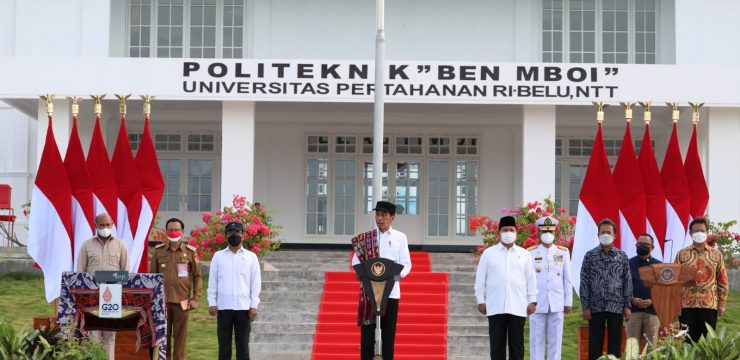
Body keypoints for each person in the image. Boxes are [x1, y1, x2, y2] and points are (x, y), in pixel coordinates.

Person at [351, 201, 412, 360]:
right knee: (367, 335)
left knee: (388, 335)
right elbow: (355, 263)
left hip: (391, 293)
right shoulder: (366, 238)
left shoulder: (400, 237)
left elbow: (406, 264)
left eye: (384, 215)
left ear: (392, 218)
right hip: (370, 293)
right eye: (377, 214)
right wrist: (365, 277)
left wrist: (395, 277)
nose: (379, 218)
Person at [475, 215, 537, 360]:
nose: (508, 233)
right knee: (497, 347)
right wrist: (480, 300)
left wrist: (532, 301)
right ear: (499, 233)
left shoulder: (524, 254)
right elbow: (480, 279)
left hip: (518, 306)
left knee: (517, 347)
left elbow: (531, 279)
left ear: (516, 232)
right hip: (495, 306)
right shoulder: (488, 254)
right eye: (505, 230)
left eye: (511, 230)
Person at [77, 213, 129, 360]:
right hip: (91, 297)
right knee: (92, 335)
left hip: (112, 298)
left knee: (109, 336)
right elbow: (80, 273)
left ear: (112, 225)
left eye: (108, 225)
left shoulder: (120, 245)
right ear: (96, 226)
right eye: (102, 225)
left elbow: (126, 273)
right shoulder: (86, 245)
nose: (105, 228)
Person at [580, 218, 633, 360]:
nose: (605, 234)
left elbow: (627, 282)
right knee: (594, 344)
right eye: (602, 232)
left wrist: (627, 306)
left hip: (616, 307)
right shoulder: (590, 256)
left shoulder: (622, 256)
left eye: (608, 232)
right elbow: (584, 282)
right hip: (595, 307)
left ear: (615, 235)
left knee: (615, 345)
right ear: (598, 234)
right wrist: (585, 306)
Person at [150, 218, 202, 360]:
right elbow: (151, 278)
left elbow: (197, 276)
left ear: (182, 231)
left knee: (180, 339)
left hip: (182, 302)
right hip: (162, 303)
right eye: (170, 230)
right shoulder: (159, 251)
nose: (173, 232)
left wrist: (195, 298)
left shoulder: (190, 252)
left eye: (176, 229)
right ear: (166, 232)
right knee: (163, 339)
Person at [208, 221, 262, 360]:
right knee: (224, 347)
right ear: (226, 236)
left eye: (237, 232)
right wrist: (212, 302)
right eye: (230, 232)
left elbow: (255, 283)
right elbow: (212, 281)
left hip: (244, 307)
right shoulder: (218, 256)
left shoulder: (251, 257)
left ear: (242, 235)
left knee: (243, 347)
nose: (234, 234)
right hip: (223, 307)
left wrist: (254, 305)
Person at [675, 217, 729, 342]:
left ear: (706, 232)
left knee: (708, 342)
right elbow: (675, 281)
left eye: (702, 230)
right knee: (688, 342)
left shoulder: (716, 255)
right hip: (686, 307)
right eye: (696, 231)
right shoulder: (681, 254)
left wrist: (722, 303)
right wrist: (676, 305)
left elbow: (723, 280)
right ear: (690, 233)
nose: (699, 233)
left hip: (709, 306)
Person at [528, 216, 572, 360]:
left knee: (556, 342)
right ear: (539, 233)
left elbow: (567, 279)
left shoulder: (563, 252)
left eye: (550, 231)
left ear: (555, 233)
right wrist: (528, 301)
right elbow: (528, 280)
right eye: (544, 231)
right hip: (537, 303)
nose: (548, 234)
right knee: (536, 342)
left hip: (557, 303)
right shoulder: (530, 253)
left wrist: (568, 302)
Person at [626, 233, 661, 345]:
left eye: (646, 244)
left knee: (651, 349)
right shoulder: (627, 264)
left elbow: (663, 289)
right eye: (640, 244)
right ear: (636, 245)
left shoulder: (659, 266)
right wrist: (632, 299)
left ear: (653, 247)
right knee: (632, 349)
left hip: (652, 312)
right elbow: (623, 286)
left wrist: (653, 300)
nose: (642, 246)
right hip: (633, 312)